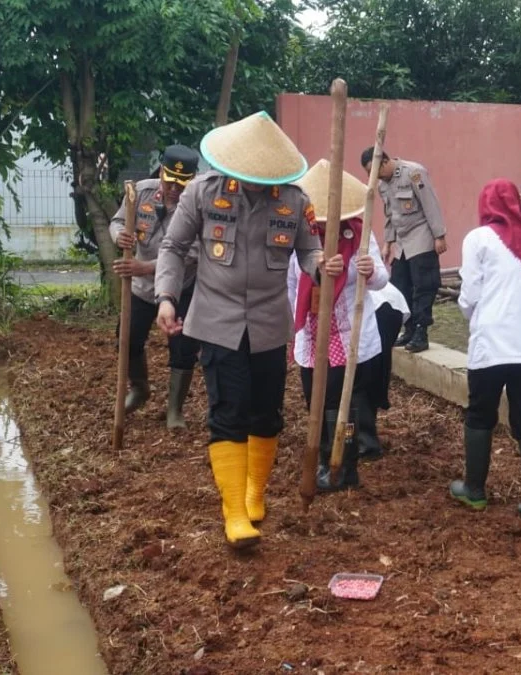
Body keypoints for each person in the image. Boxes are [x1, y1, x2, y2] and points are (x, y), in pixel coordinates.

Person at [155, 111, 336, 550]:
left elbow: (309, 249)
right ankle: (234, 512)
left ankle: (255, 492)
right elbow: (173, 247)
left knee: (267, 413)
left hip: (269, 325)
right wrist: (166, 297)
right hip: (216, 322)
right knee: (227, 412)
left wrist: (322, 265)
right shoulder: (202, 193)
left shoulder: (294, 201)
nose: (256, 184)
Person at [449, 178, 521, 523]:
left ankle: (474, 491)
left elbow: (470, 293)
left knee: (481, 413)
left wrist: (478, 315)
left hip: (495, 342)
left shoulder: (479, 238)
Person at [287, 159, 389, 491]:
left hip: (349, 335)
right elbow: (291, 286)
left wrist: (369, 269)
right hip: (313, 332)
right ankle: (324, 458)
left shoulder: (360, 233)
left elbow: (381, 281)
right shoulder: (302, 238)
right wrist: (296, 321)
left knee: (345, 403)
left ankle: (343, 463)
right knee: (315, 399)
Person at [109, 145, 201, 430]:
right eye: (170, 180)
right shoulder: (140, 192)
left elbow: (192, 254)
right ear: (162, 171)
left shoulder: (197, 202)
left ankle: (175, 411)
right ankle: (140, 388)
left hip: (181, 288)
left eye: (182, 183)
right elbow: (117, 221)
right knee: (127, 338)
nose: (175, 188)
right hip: (141, 289)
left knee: (183, 347)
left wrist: (146, 266)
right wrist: (119, 237)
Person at [362, 149, 447, 354]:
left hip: (421, 235)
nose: (371, 176)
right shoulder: (383, 185)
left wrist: (439, 235)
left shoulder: (413, 172)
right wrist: (387, 243)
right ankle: (408, 329)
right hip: (402, 241)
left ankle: (421, 331)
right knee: (400, 285)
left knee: (423, 285)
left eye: (372, 170)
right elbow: (390, 215)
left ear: (383, 162)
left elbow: (430, 204)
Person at [363, 282, 410, 460]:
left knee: (367, 371)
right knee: (375, 368)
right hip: (388, 303)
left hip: (379, 305)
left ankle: (366, 443)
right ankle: (364, 437)